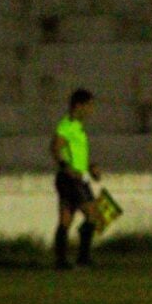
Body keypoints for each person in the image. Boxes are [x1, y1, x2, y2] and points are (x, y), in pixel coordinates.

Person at [51, 88, 102, 269]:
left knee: (66, 219)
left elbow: (74, 155)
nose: (91, 110)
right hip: (71, 180)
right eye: (89, 106)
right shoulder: (68, 125)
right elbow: (55, 147)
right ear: (78, 106)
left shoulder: (78, 128)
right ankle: (83, 258)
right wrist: (67, 168)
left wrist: (90, 167)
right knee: (93, 214)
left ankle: (61, 262)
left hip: (74, 178)